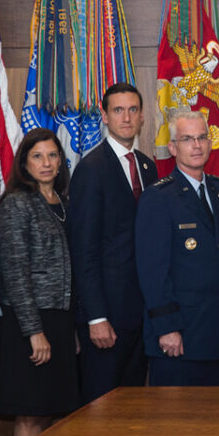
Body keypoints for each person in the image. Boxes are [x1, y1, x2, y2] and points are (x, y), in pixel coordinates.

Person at [66, 82, 158, 402]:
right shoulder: (90, 170)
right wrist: (96, 317)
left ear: (143, 116)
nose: (127, 117)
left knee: (131, 410)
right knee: (100, 411)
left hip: (141, 315)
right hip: (106, 319)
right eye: (118, 110)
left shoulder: (148, 167)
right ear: (104, 116)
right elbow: (84, 251)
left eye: (133, 110)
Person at [0, 128, 78, 436]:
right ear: (24, 163)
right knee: (29, 413)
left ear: (61, 161)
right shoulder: (17, 204)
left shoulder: (64, 202)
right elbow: (15, 272)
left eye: (53, 155)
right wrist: (34, 331)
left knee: (50, 411)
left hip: (60, 319)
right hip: (28, 322)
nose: (46, 163)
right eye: (37, 156)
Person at [136, 110, 219, 385]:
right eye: (188, 139)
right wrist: (167, 328)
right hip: (178, 336)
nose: (197, 145)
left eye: (202, 137)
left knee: (216, 422)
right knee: (175, 425)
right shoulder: (158, 198)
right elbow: (152, 272)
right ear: (173, 148)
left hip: (216, 333)